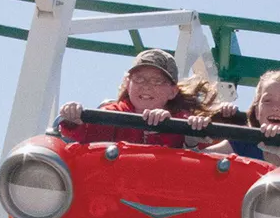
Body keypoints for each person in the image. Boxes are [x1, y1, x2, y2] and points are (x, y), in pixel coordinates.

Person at [58, 49, 222, 147]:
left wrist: (182, 129)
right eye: (139, 79)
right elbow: (83, 133)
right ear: (127, 83)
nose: (146, 86)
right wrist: (73, 119)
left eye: (157, 81)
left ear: (172, 92)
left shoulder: (183, 121)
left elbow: (206, 155)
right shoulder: (112, 115)